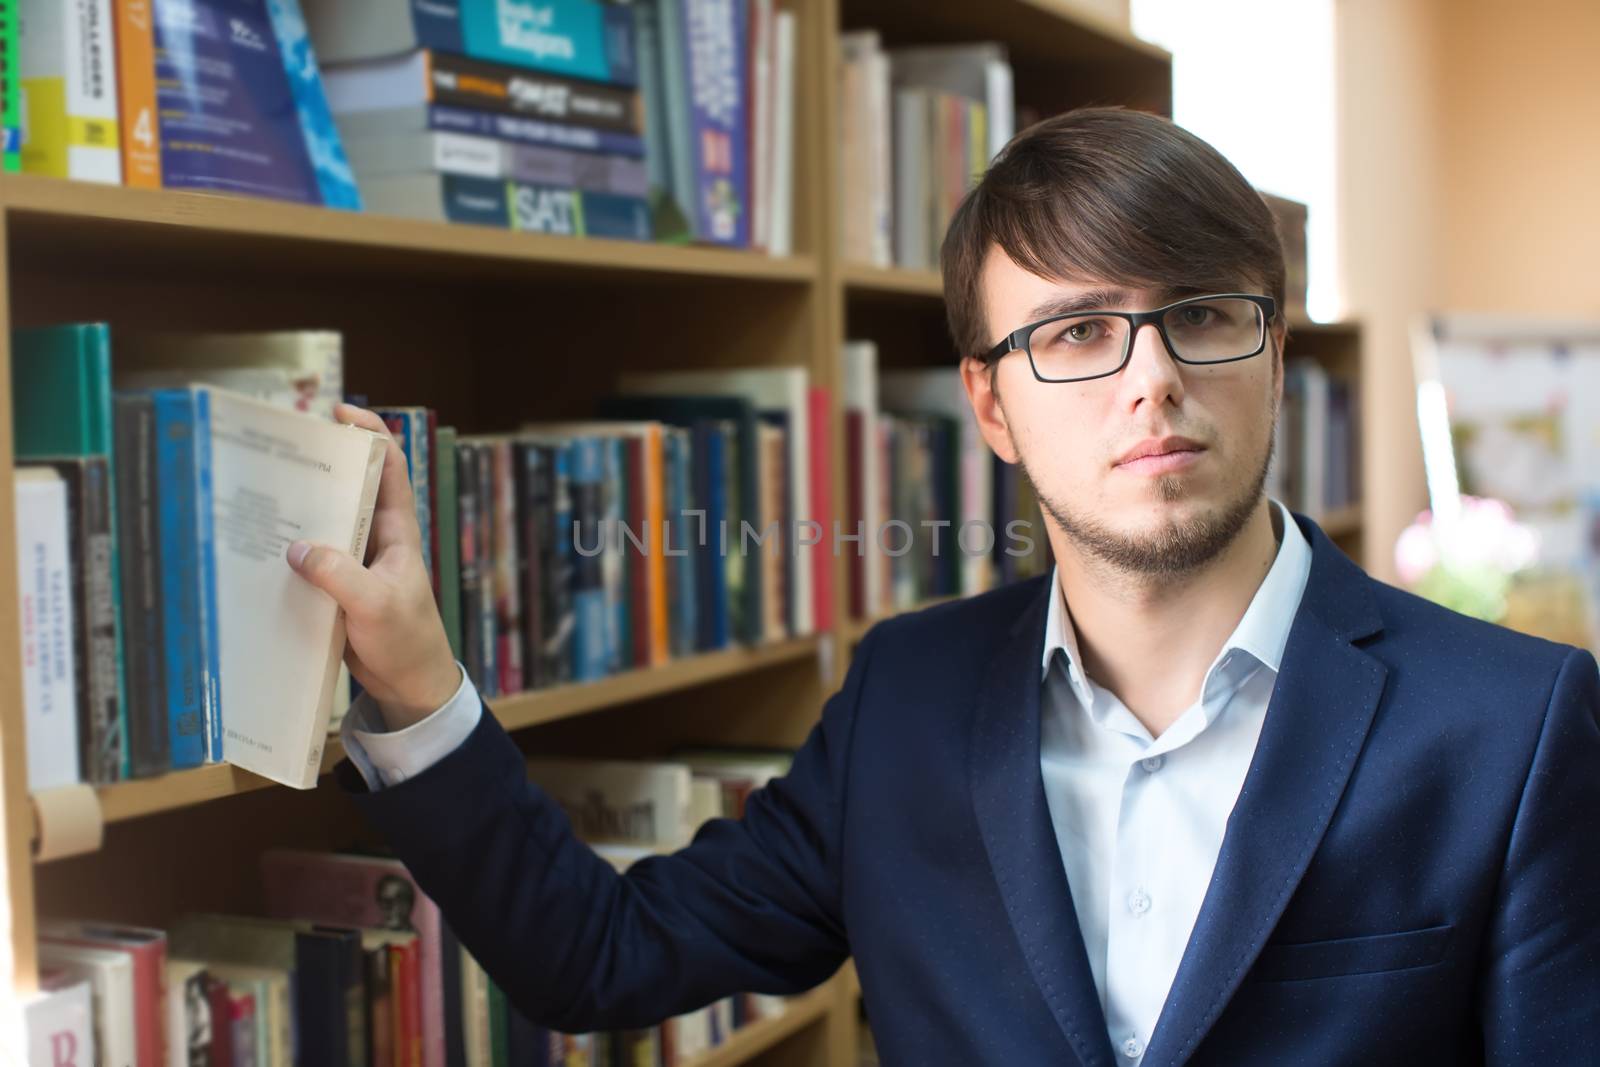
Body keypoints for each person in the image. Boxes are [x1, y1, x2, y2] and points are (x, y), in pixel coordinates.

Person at [288, 107, 1600, 1065]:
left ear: (1273, 349)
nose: (1152, 378)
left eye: (1202, 314)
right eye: (1079, 333)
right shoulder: (904, 704)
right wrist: (413, 680)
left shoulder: (1513, 723)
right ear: (991, 404)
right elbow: (600, 960)